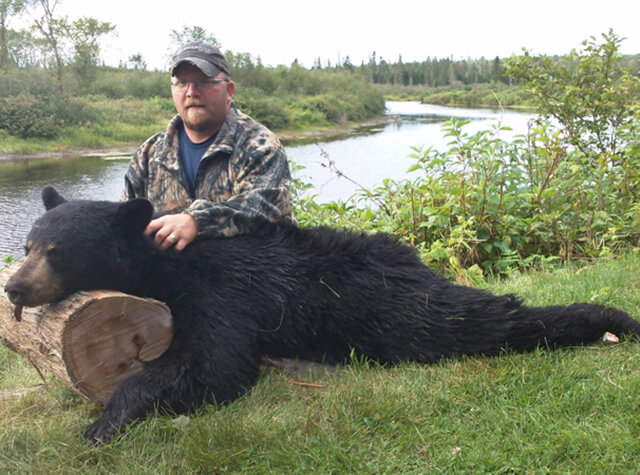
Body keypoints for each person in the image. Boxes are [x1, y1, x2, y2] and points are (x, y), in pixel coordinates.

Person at [122, 41, 295, 251]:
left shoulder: (259, 145)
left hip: (251, 277)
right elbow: (125, 218)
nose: (191, 92)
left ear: (228, 90)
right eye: (182, 82)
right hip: (172, 277)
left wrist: (196, 221)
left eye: (204, 82)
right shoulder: (149, 154)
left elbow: (265, 208)